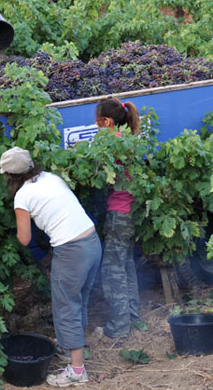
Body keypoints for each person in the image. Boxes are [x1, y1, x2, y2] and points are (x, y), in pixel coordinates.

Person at [0, 147, 102, 387]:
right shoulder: (51, 178)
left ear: (11, 176)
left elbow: (24, 239)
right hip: (92, 243)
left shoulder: (22, 196)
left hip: (71, 251)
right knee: (78, 301)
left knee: (66, 308)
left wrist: (15, 228)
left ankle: (77, 370)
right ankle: (71, 349)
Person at [94, 97, 145, 341]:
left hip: (118, 213)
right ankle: (133, 317)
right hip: (132, 212)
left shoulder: (110, 142)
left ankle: (118, 327)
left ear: (106, 121)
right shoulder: (131, 140)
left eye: (97, 123)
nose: (96, 128)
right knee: (126, 265)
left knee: (113, 270)